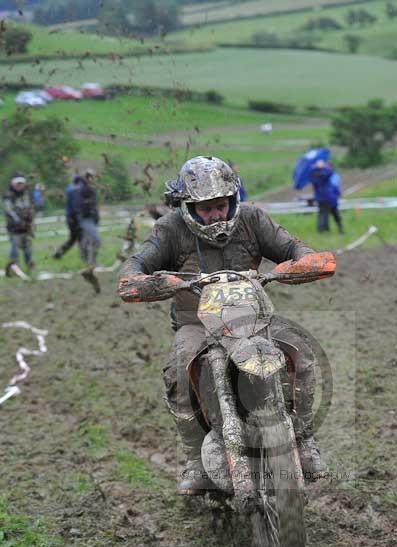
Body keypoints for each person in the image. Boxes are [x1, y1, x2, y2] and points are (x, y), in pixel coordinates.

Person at [118, 156, 335, 494]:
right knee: (179, 366)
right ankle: (195, 460)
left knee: (300, 354)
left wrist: (301, 263)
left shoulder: (251, 219)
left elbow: (294, 248)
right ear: (188, 206)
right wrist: (149, 281)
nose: (215, 214)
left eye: (220, 205)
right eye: (205, 209)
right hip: (196, 324)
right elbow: (134, 269)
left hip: (253, 320)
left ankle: (305, 441)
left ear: (232, 200)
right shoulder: (169, 228)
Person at [73, 169, 101, 293]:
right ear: (87, 178)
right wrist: (88, 206)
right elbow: (79, 205)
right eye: (90, 177)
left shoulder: (92, 189)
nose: (92, 179)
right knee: (96, 240)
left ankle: (88, 265)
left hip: (91, 219)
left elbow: (94, 204)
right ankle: (90, 265)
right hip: (84, 219)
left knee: (86, 241)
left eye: (93, 177)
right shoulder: (82, 189)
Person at [3, 175, 36, 277]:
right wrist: (18, 220)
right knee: (14, 249)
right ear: (13, 184)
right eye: (18, 184)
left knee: (28, 249)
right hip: (14, 227)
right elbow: (9, 211)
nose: (20, 186)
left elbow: (30, 207)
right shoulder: (9, 196)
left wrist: (30, 220)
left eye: (22, 184)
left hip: (26, 226)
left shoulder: (26, 194)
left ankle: (30, 267)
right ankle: (13, 269)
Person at [309, 159, 343, 234]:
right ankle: (323, 231)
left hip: (330, 198)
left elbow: (329, 173)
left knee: (334, 214)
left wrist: (322, 168)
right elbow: (326, 174)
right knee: (323, 214)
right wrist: (316, 168)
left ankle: (338, 229)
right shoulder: (314, 174)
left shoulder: (326, 173)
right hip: (323, 198)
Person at [53, 176, 82, 260]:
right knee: (79, 237)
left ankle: (59, 253)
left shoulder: (69, 188)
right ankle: (85, 256)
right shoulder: (76, 190)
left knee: (74, 238)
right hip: (74, 216)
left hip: (70, 216)